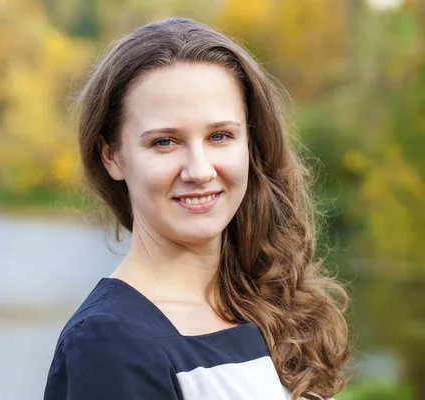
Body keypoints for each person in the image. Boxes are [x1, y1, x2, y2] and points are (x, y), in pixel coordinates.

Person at [43, 17, 351, 400]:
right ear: (113, 157)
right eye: (165, 142)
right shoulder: (110, 343)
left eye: (220, 136)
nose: (200, 170)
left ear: (251, 144)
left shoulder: (268, 306)